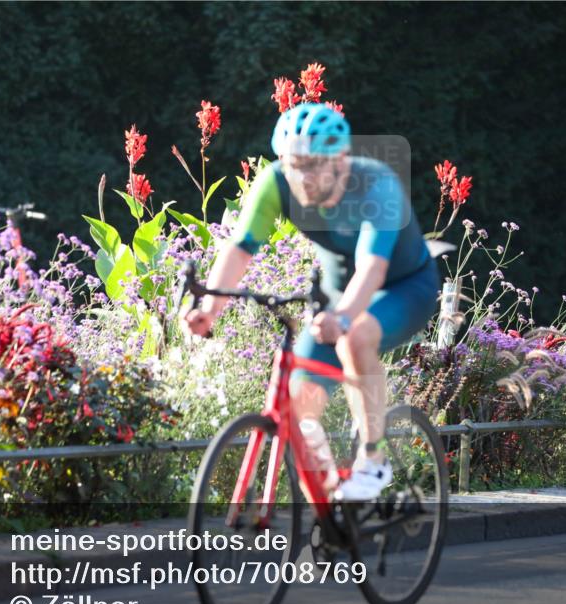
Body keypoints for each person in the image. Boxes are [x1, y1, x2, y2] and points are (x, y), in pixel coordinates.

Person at [181, 102, 440, 501]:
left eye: (312, 165)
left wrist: (343, 316)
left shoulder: (376, 185)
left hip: (404, 286)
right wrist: (210, 309)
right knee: (297, 404)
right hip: (338, 293)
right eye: (291, 164)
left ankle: (373, 460)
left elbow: (371, 269)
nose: (301, 176)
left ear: (340, 160)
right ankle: (331, 505)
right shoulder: (276, 182)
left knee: (355, 338)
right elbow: (241, 247)